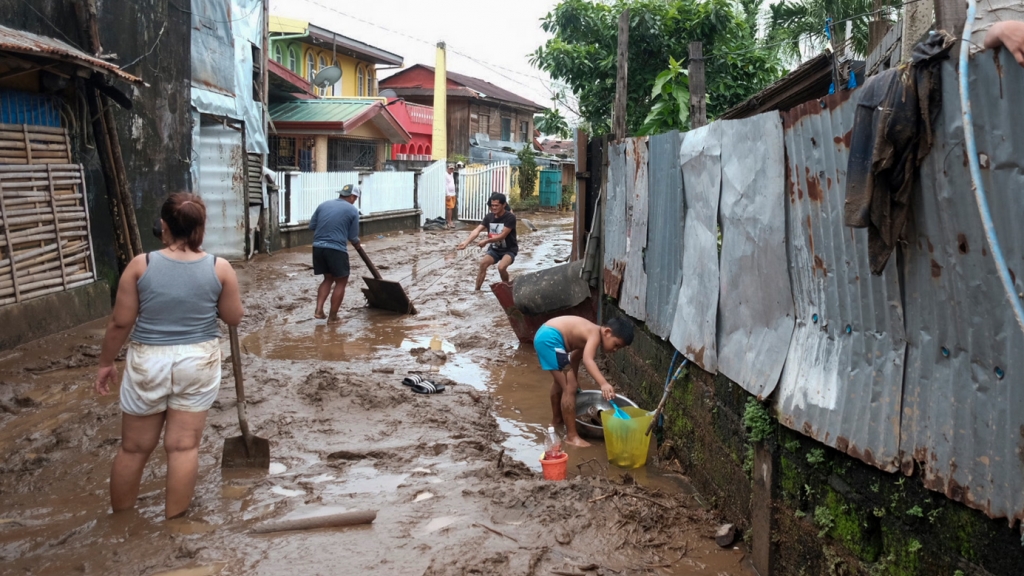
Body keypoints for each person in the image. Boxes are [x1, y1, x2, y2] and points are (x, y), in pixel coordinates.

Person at [94, 193, 244, 519]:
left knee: (133, 448)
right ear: (201, 227)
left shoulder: (140, 264)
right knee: (183, 447)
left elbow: (121, 322)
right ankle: (175, 524)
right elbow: (233, 318)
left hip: (148, 359)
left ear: (163, 225)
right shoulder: (220, 268)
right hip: (198, 360)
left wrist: (106, 363)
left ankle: (122, 523)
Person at [533, 316, 634, 448]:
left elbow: (574, 358)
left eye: (618, 348)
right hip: (550, 339)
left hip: (546, 335)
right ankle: (571, 437)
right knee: (569, 387)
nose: (615, 350)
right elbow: (588, 360)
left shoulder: (588, 333)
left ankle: (557, 420)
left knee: (563, 383)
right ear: (607, 332)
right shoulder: (594, 335)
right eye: (616, 345)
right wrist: (603, 383)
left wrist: (574, 379)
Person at [309, 184, 361, 322]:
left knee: (328, 278)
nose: (354, 200)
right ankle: (333, 317)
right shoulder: (352, 210)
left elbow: (312, 226)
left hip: (318, 247)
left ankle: (319, 310)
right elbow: (353, 236)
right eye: (355, 198)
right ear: (352, 196)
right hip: (336, 249)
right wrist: (357, 243)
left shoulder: (323, 205)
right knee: (341, 281)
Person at [457, 192, 518, 290]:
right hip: (494, 249)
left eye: (496, 206)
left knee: (501, 268)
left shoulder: (510, 217)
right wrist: (466, 242)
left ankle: (507, 288)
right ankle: (477, 290)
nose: (494, 208)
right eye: (492, 205)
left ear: (504, 205)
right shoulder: (489, 217)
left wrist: (486, 241)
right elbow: (477, 230)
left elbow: (502, 236)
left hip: (509, 250)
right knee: (483, 264)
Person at [445, 163, 457, 229]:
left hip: (453, 193)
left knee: (452, 207)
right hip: (449, 194)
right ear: (447, 168)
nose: (451, 170)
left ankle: (450, 220)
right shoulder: (445, 175)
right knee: (449, 207)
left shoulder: (451, 174)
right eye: (450, 168)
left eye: (452, 168)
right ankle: (449, 221)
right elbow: (445, 185)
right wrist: (447, 194)